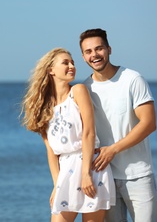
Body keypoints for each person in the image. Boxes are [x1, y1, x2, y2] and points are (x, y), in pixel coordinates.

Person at [21, 48, 115, 222]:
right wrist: (57, 185)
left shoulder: (78, 91)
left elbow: (89, 133)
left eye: (72, 62)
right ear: (51, 70)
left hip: (91, 168)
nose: (72, 66)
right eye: (65, 63)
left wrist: (86, 174)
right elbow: (51, 152)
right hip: (66, 171)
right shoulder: (43, 107)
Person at [79, 28, 157, 222]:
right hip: (104, 177)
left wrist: (113, 149)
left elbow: (149, 123)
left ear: (109, 49)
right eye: (88, 51)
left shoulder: (132, 79)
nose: (94, 55)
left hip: (138, 174)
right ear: (83, 57)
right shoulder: (84, 89)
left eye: (99, 49)